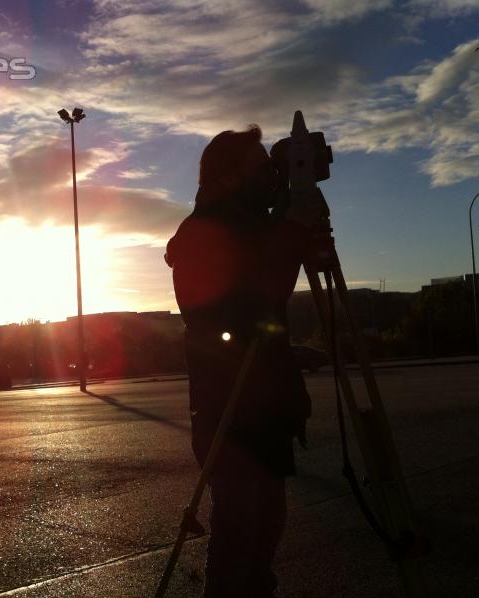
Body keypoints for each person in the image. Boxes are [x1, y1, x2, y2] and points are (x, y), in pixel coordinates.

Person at [165, 125, 313, 597]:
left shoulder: (257, 226)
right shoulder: (202, 234)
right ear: (230, 175)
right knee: (239, 529)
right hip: (227, 408)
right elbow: (250, 303)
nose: (270, 175)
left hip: (265, 406)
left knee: (268, 523)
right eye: (260, 166)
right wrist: (292, 231)